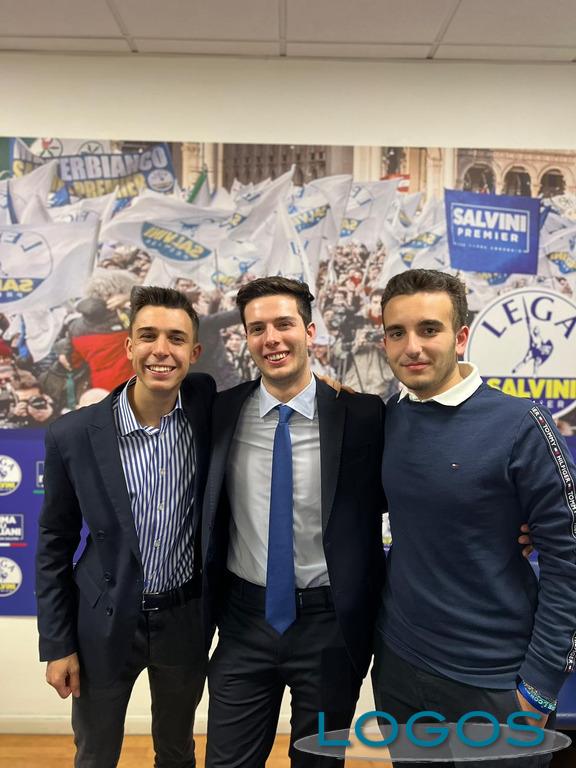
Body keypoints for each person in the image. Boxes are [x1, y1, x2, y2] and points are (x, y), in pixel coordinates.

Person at [372, 269, 576, 767]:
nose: (412, 347)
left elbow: (570, 562)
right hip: (400, 669)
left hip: (495, 683)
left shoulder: (522, 424)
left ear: (461, 336)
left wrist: (539, 690)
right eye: (397, 333)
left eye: (429, 329)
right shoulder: (387, 417)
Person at [202, 276, 386, 767]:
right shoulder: (221, 410)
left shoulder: (363, 415)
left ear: (309, 331)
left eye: (284, 324)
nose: (272, 339)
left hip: (329, 626)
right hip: (244, 622)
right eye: (257, 328)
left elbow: (412, 491)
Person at [35, 286, 215, 768]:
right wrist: (57, 644)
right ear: (129, 346)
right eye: (148, 336)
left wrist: (323, 383)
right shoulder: (73, 435)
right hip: (105, 617)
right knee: (96, 752)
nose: (162, 350)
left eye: (176, 338)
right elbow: (53, 545)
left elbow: (271, 389)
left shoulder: (208, 408)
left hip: (184, 618)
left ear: (195, 352)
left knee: (177, 750)